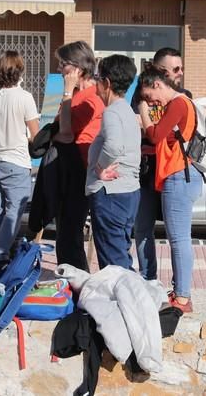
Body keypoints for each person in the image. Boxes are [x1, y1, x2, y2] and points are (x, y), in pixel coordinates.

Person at [137, 65, 202, 313]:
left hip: (179, 176)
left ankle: (183, 297)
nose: (149, 102)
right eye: (145, 101)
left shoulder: (178, 103)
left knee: (179, 239)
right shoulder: (178, 104)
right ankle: (181, 292)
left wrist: (143, 112)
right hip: (179, 175)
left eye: (148, 96)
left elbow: (155, 135)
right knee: (178, 237)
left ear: (157, 85)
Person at [131, 47, 191, 281]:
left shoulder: (182, 97)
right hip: (146, 169)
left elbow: (164, 135)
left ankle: (181, 288)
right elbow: (133, 125)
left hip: (173, 172)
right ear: (159, 71)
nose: (180, 73)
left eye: (180, 68)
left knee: (176, 234)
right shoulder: (141, 94)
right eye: (175, 69)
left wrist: (146, 125)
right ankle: (148, 278)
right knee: (142, 228)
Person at [0, 51, 39, 271]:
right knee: (14, 209)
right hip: (17, 161)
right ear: (19, 71)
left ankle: (1, 250)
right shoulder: (24, 98)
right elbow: (35, 134)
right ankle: (0, 253)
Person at [85, 54, 141, 270]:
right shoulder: (127, 110)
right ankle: (128, 297)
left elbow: (114, 146)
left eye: (97, 78)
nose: (95, 84)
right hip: (128, 192)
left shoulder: (111, 112)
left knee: (113, 262)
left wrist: (100, 167)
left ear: (106, 83)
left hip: (111, 194)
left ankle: (123, 301)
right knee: (119, 252)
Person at [52, 41, 104, 271]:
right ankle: (71, 274)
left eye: (62, 64)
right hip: (68, 167)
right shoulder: (77, 95)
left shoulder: (91, 98)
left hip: (80, 169)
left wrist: (65, 91)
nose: (59, 69)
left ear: (76, 68)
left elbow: (64, 133)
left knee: (70, 230)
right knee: (64, 229)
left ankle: (76, 278)